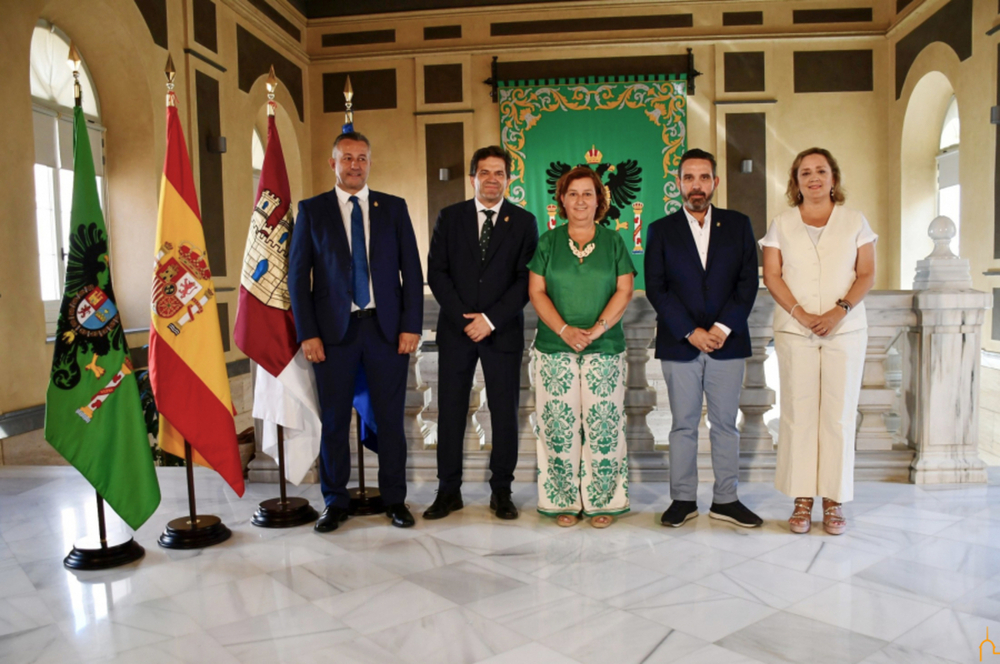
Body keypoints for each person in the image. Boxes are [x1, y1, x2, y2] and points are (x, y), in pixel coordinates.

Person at [288, 131, 424, 532]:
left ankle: (395, 500)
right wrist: (307, 332)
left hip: (385, 333)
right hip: (333, 336)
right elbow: (299, 278)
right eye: (347, 158)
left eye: (362, 158)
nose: (355, 165)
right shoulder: (312, 211)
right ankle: (335, 501)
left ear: (369, 162)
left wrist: (410, 326)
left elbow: (412, 274)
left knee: (390, 421)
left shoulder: (393, 209)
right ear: (333, 163)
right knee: (333, 422)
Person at [760, 147, 876, 536]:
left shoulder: (855, 221)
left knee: (839, 415)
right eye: (805, 172)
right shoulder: (781, 223)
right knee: (798, 412)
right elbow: (773, 276)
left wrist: (837, 312)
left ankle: (833, 499)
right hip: (796, 330)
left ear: (833, 178)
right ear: (795, 182)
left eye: (820, 171)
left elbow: (866, 274)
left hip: (845, 329)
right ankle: (802, 498)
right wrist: (803, 315)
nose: (813, 178)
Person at [645, 148, 763, 528]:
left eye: (704, 177)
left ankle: (726, 499)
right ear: (678, 183)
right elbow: (656, 288)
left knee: (726, 424)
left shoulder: (739, 224)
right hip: (680, 343)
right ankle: (682, 499)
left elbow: (748, 283)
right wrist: (691, 331)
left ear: (715, 182)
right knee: (682, 424)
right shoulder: (660, 230)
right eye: (689, 177)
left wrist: (721, 328)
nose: (697, 185)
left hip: (728, 342)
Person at [424, 146, 539, 520]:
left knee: (504, 412)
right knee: (451, 412)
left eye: (499, 173)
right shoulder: (449, 217)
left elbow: (525, 280)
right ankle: (448, 491)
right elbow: (437, 273)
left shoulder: (524, 222)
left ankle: (501, 492)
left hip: (501, 332)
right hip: (457, 332)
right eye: (485, 172)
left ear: (509, 178)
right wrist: (464, 319)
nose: (492, 179)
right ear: (473, 177)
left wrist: (489, 319)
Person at [527, 166, 635, 528]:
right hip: (554, 349)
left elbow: (624, 290)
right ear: (562, 199)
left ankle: (604, 501)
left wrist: (597, 328)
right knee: (558, 426)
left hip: (604, 347)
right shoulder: (547, 242)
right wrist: (564, 330)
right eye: (572, 193)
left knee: (604, 429)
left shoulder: (614, 241)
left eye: (588, 193)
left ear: (599, 200)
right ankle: (562, 502)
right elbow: (536, 292)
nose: (580, 201)